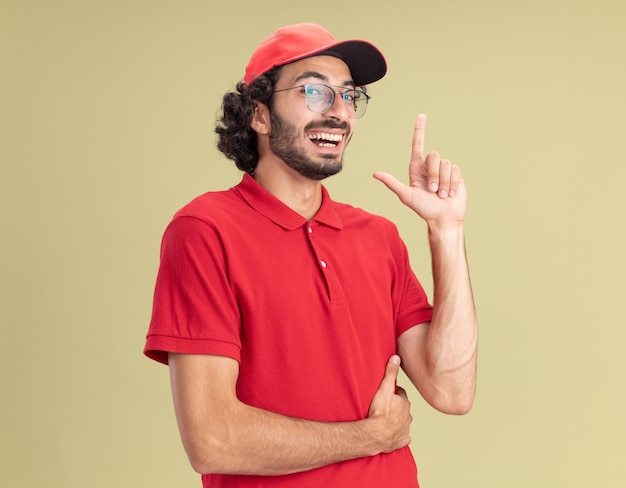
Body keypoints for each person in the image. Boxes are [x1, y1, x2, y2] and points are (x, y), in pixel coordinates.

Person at [144, 22, 477, 488]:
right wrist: (371, 436)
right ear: (259, 115)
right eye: (315, 92)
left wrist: (447, 231)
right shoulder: (205, 231)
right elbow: (211, 439)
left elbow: (452, 390)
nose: (339, 112)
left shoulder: (378, 236)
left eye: (348, 95)